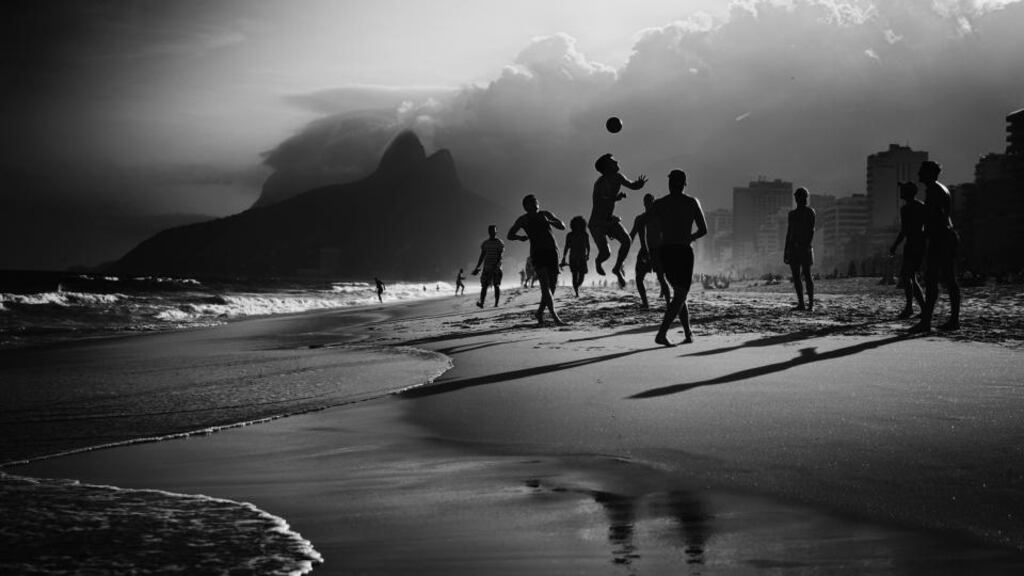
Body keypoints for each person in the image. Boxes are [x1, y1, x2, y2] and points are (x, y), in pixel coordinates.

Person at [651, 170, 707, 346]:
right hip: (682, 251)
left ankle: (688, 333)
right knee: (681, 294)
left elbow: (650, 229)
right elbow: (703, 229)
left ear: (670, 184)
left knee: (679, 294)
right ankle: (661, 333)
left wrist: (653, 253)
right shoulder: (691, 202)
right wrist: (690, 237)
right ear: (684, 184)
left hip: (666, 251)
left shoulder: (660, 204)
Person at [910, 160, 961, 332]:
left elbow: (933, 217)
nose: (918, 175)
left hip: (940, 237)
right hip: (947, 236)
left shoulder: (933, 190)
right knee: (949, 279)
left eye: (921, 172)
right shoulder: (942, 188)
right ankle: (953, 320)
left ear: (929, 173)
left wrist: (923, 234)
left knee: (932, 280)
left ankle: (927, 322)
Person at [589, 153, 647, 288]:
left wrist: (639, 185)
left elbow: (631, 185)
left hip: (609, 220)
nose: (617, 162)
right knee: (605, 253)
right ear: (606, 167)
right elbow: (602, 199)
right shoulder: (600, 183)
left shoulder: (618, 177)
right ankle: (598, 261)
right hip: (597, 223)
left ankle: (617, 267)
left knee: (626, 240)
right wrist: (616, 197)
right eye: (613, 162)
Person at [509, 194, 566, 325]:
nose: (535, 204)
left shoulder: (545, 214)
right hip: (537, 253)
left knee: (552, 286)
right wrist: (520, 237)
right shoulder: (523, 220)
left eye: (535, 201)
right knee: (545, 286)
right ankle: (555, 317)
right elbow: (509, 234)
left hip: (552, 251)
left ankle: (540, 312)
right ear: (525, 207)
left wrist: (550, 222)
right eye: (531, 203)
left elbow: (562, 225)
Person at [889, 182, 927, 319]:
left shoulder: (906, 209)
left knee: (907, 276)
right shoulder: (922, 206)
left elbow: (904, 230)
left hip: (912, 244)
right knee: (910, 276)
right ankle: (920, 307)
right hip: (920, 244)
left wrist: (895, 245)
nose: (900, 193)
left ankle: (911, 307)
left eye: (903, 190)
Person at [629, 193, 670, 309]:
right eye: (646, 202)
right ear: (644, 204)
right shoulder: (640, 218)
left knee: (661, 278)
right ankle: (645, 303)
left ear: (653, 203)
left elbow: (668, 233)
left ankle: (668, 304)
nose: (647, 204)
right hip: (645, 251)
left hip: (658, 250)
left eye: (650, 202)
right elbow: (631, 236)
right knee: (639, 278)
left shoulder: (660, 217)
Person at [784, 187, 816, 311]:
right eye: (798, 197)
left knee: (807, 275)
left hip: (804, 248)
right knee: (796, 277)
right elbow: (789, 233)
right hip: (793, 248)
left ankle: (811, 304)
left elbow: (811, 230)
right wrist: (786, 250)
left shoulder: (810, 212)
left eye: (802, 197)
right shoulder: (791, 214)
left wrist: (805, 244)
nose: (800, 199)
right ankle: (802, 303)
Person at [471, 225, 505, 308]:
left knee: (496, 285)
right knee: (484, 286)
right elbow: (482, 256)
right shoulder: (485, 243)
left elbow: (500, 256)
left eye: (493, 231)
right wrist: (477, 267)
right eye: (490, 231)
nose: (492, 232)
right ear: (488, 232)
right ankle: (482, 303)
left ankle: (496, 304)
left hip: (497, 267)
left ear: (496, 232)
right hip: (487, 267)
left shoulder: (499, 242)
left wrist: (496, 265)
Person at [560, 216, 590, 297]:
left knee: (582, 276)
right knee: (574, 274)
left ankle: (577, 287)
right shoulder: (569, 235)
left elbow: (588, 245)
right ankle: (576, 292)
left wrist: (588, 254)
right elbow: (566, 246)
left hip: (582, 257)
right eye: (576, 224)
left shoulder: (585, 234)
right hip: (573, 257)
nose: (577, 226)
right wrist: (564, 257)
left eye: (579, 224)